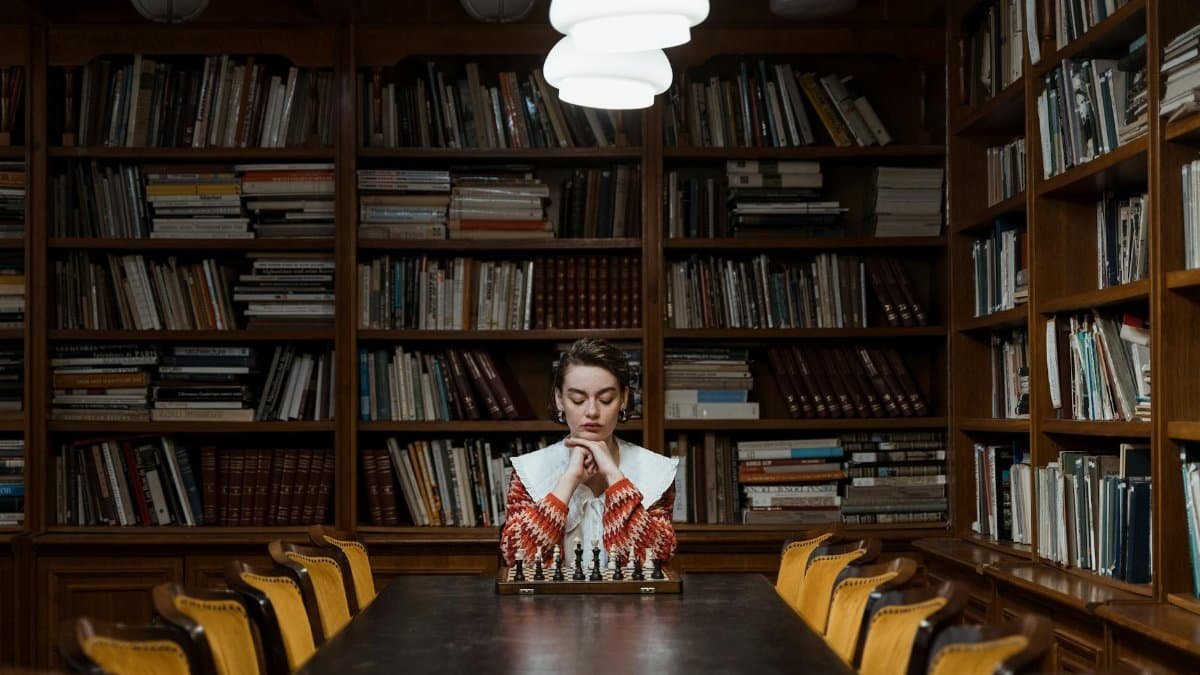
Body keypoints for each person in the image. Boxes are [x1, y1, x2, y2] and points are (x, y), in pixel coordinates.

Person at [499, 338, 678, 568]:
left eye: (605, 399)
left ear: (623, 399)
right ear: (559, 399)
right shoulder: (528, 471)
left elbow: (656, 557)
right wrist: (568, 481)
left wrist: (616, 479)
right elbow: (516, 556)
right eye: (578, 399)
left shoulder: (657, 472)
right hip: (552, 604)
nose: (592, 411)